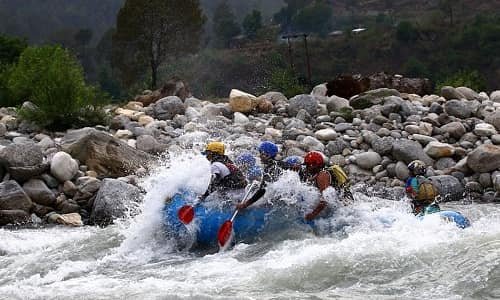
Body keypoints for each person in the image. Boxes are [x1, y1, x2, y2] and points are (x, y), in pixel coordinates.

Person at [301, 151, 353, 221]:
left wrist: (313, 214)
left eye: (307, 166)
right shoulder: (324, 170)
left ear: (314, 166)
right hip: (347, 201)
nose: (306, 168)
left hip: (344, 207)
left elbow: (326, 198)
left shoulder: (322, 176)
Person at [236, 141, 285, 210]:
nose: (259, 156)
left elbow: (262, 190)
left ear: (268, 155)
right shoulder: (279, 164)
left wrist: (246, 204)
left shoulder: (270, 169)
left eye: (261, 154)